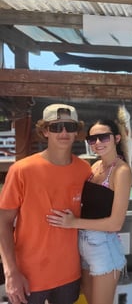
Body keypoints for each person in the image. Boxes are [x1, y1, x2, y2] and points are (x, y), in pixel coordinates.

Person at [0, 104, 92, 304]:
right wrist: (11, 273)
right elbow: (3, 222)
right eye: (56, 127)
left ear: (77, 131)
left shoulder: (84, 170)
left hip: (70, 275)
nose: (64, 132)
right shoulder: (21, 170)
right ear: (44, 131)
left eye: (70, 126)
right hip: (28, 277)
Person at [46, 119, 132, 304]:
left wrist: (73, 222)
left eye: (103, 137)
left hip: (103, 247)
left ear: (116, 138)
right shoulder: (94, 167)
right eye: (92, 139)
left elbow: (115, 223)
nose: (98, 143)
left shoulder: (122, 171)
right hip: (82, 245)